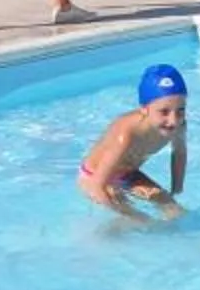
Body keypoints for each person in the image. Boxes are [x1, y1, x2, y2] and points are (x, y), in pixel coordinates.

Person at [79, 63, 189, 220]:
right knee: (140, 222)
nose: (173, 121)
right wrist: (133, 216)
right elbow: (96, 186)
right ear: (144, 108)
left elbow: (179, 153)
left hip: (128, 175)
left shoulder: (180, 125)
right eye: (164, 112)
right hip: (94, 177)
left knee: (175, 210)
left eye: (181, 110)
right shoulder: (126, 134)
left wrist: (176, 190)